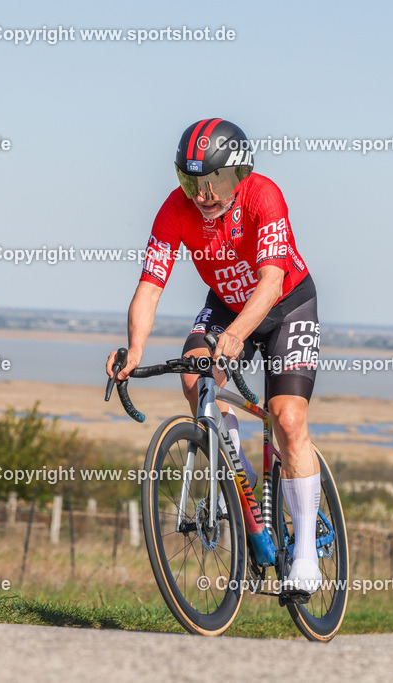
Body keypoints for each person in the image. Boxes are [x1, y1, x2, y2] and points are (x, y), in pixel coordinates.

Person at [106, 118, 323, 595]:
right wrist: (135, 349)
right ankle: (246, 501)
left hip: (286, 303)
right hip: (226, 304)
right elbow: (149, 287)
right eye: (191, 182)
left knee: (287, 420)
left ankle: (305, 553)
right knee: (193, 380)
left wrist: (240, 333)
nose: (202, 195)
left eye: (216, 182)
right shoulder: (174, 211)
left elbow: (269, 282)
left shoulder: (264, 195)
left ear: (240, 175)